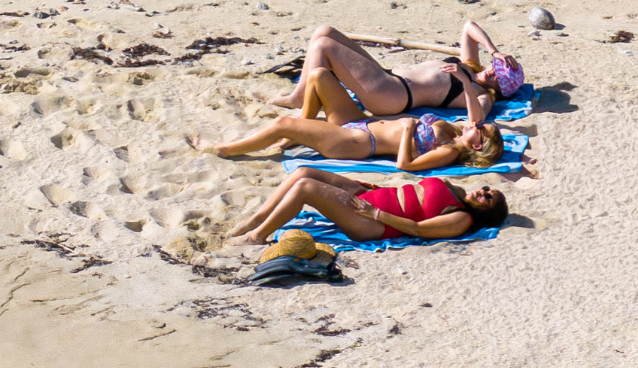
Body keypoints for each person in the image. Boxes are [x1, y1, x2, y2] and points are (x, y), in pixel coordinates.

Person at [271, 20, 524, 126]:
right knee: (324, 32)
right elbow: (469, 26)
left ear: (502, 88)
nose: (493, 71)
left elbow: (476, 119)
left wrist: (463, 83)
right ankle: (299, 95)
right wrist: (494, 51)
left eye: (499, 76)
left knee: (323, 47)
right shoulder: (470, 63)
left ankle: (298, 100)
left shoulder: (483, 95)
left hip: (393, 94)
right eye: (496, 67)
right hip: (388, 75)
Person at [222, 167, 509, 246]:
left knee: (305, 188)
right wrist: (371, 190)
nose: (482, 191)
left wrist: (376, 213)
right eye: (486, 188)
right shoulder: (457, 191)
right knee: (302, 172)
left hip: (373, 223)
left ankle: (258, 235)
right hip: (368, 197)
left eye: (488, 197)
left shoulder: (460, 219)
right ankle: (257, 219)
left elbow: (419, 229)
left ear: (486, 211)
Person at [191, 113, 505, 172]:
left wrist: (408, 129)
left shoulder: (449, 153)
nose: (477, 124)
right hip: (361, 129)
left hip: (357, 143)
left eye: (482, 129)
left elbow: (406, 165)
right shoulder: (452, 133)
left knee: (282, 123)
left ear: (477, 146)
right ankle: (285, 139)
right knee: (318, 81)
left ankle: (223, 150)